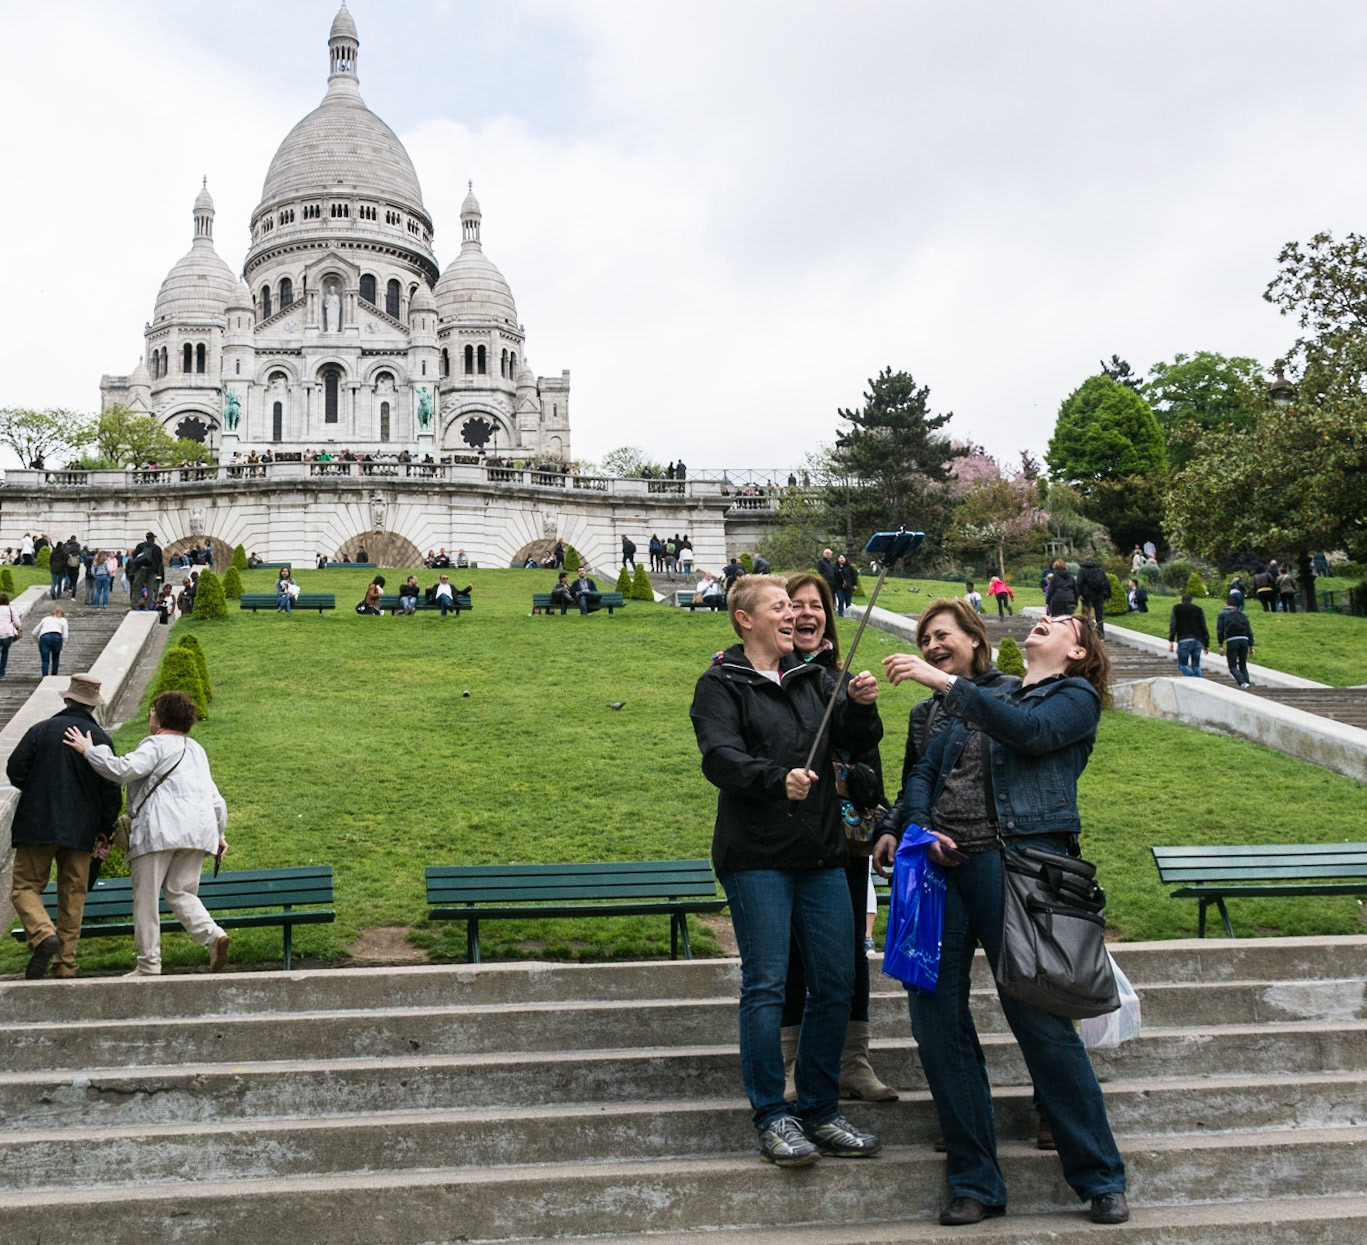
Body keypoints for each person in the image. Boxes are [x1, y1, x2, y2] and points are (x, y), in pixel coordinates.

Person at [875, 614, 1129, 1227]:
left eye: (1061, 622)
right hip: (938, 870)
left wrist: (942, 682)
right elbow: (925, 773)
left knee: (1038, 1021)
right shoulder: (987, 698)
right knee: (935, 1020)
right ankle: (974, 1182)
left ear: (1077, 651)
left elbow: (1033, 733)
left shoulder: (1074, 698)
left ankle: (1099, 1176)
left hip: (1013, 869)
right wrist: (913, 826)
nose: (1044, 620)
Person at [690, 575, 884, 1167]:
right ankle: (773, 1116)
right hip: (756, 858)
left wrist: (860, 704)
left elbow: (855, 741)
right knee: (768, 985)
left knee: (834, 984)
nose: (794, 616)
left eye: (796, 609)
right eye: (780, 607)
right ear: (745, 620)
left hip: (822, 853)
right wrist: (777, 780)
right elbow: (720, 758)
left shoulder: (816, 677)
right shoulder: (720, 684)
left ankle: (821, 1109)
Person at [781, 572, 897, 1103]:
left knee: (849, 949)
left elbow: (868, 758)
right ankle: (789, 1065)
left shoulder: (843, 679)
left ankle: (854, 1061)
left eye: (817, 606)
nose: (808, 614)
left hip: (841, 837)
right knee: (789, 953)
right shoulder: (761, 672)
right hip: (784, 837)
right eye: (796, 605)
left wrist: (861, 709)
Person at [64, 690, 231, 976]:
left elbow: (121, 769)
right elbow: (215, 798)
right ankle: (214, 935)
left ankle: (149, 965)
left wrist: (89, 750)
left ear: (162, 716)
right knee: (181, 891)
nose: (150, 715)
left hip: (160, 830)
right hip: (199, 831)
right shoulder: (196, 750)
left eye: (153, 711)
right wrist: (219, 833)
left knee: (146, 899)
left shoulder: (155, 744)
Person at [7, 674, 122, 979]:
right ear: (93, 705)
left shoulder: (40, 730)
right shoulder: (100, 738)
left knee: (25, 888)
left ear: (67, 699)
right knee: (73, 896)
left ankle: (43, 934)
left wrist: (35, 789)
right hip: (81, 831)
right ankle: (65, 965)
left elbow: (15, 769)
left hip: (37, 825)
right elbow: (111, 789)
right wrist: (104, 830)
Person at [1217, 595, 1256, 688]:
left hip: (1232, 640)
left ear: (1226, 604)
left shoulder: (1222, 614)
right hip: (1244, 640)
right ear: (1236, 607)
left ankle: (1242, 682)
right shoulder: (1242, 615)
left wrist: (1220, 645)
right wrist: (1251, 646)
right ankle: (1247, 683)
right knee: (1243, 665)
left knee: (1232, 666)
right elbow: (1249, 631)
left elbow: (1220, 630)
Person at [1168, 593, 1209, 677]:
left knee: (1182, 665)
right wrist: (1206, 644)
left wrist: (1171, 641)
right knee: (1196, 666)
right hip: (1197, 640)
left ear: (1182, 600)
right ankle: (1200, 681)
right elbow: (1203, 626)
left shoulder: (1176, 608)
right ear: (1191, 600)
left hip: (1184, 639)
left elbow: (1173, 625)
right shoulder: (1199, 609)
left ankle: (1193, 678)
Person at [1076, 556, 1111, 638]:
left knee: (1085, 615)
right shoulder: (1100, 570)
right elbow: (1106, 583)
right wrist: (1108, 596)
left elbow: (1079, 582)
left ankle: (1086, 634)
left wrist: (1079, 593)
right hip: (1099, 595)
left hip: (1086, 595)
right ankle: (1101, 635)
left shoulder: (1082, 570)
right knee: (1099, 615)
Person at [129, 531, 163, 610]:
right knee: (151, 588)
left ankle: (134, 606)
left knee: (137, 587)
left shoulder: (140, 546)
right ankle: (148, 606)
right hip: (152, 569)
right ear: (153, 538)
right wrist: (158, 571)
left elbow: (134, 556)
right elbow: (160, 561)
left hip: (141, 568)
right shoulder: (157, 548)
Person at [35, 605, 68, 676]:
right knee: (56, 658)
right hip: (57, 637)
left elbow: (34, 633)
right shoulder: (63, 620)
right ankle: (54, 676)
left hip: (44, 637)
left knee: (45, 660)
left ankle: (45, 676)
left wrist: (38, 641)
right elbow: (65, 636)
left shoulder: (45, 619)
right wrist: (63, 644)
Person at [0, 592, 19, 675]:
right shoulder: (11, 609)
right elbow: (17, 623)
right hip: (8, 634)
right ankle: (2, 672)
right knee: (5, 652)